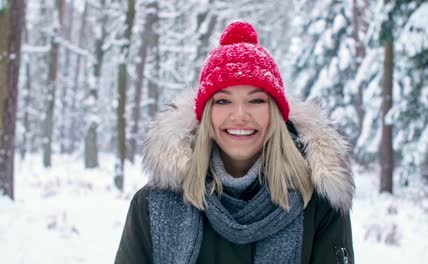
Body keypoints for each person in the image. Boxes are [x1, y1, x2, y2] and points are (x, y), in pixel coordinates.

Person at [115, 21, 355, 264]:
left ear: (275, 114)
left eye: (256, 101)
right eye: (223, 101)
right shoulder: (153, 205)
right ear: (206, 115)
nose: (240, 115)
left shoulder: (319, 205)